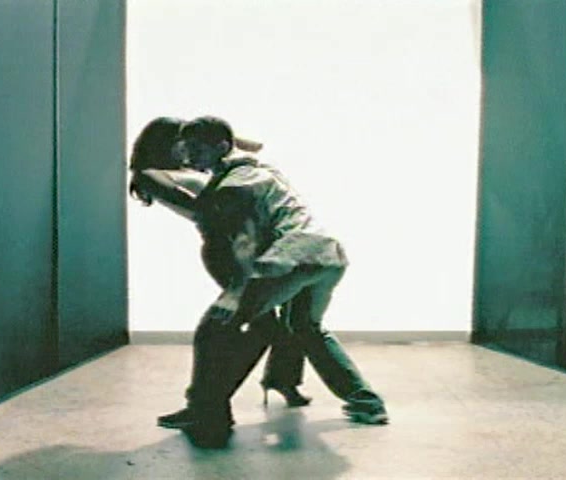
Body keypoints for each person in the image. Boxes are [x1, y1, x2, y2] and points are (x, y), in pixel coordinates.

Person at [173, 116, 389, 434]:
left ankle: (204, 409)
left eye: (197, 148)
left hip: (292, 259)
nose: (189, 156)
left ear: (221, 147)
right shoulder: (260, 168)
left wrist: (236, 292)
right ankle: (366, 403)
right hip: (327, 257)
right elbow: (252, 146)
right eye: (187, 148)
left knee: (216, 327)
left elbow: (241, 238)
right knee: (305, 327)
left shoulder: (235, 185)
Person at [128, 117, 311, 446]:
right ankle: (209, 405)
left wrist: (225, 144)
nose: (189, 150)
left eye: (194, 144)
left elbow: (255, 147)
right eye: (183, 143)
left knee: (259, 327)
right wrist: (229, 183)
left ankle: (210, 404)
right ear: (166, 143)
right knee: (227, 329)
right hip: (225, 251)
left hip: (245, 245)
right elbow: (205, 210)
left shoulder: (205, 166)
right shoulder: (150, 174)